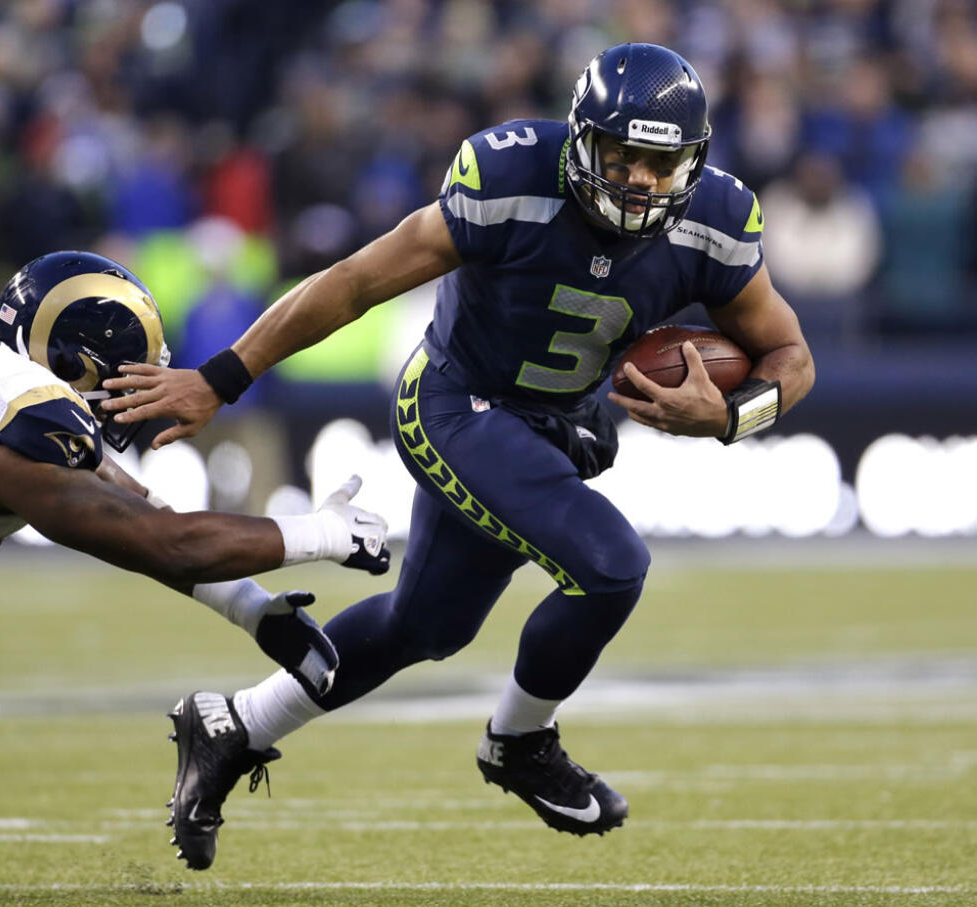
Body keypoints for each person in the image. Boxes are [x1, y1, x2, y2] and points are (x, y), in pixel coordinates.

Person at [102, 43, 816, 871]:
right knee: (612, 565)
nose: (638, 181)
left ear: (692, 163)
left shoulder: (716, 220)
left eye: (660, 164)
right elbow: (357, 280)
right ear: (581, 140)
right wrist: (222, 378)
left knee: (425, 625)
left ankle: (232, 726)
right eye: (621, 156)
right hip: (455, 404)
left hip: (553, 425)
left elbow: (790, 353)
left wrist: (731, 414)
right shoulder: (510, 177)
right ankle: (519, 738)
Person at [0, 250, 393, 700]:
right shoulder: (16, 433)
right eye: (129, 369)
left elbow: (134, 505)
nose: (137, 387)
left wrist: (252, 609)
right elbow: (164, 542)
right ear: (78, 364)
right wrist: (324, 534)